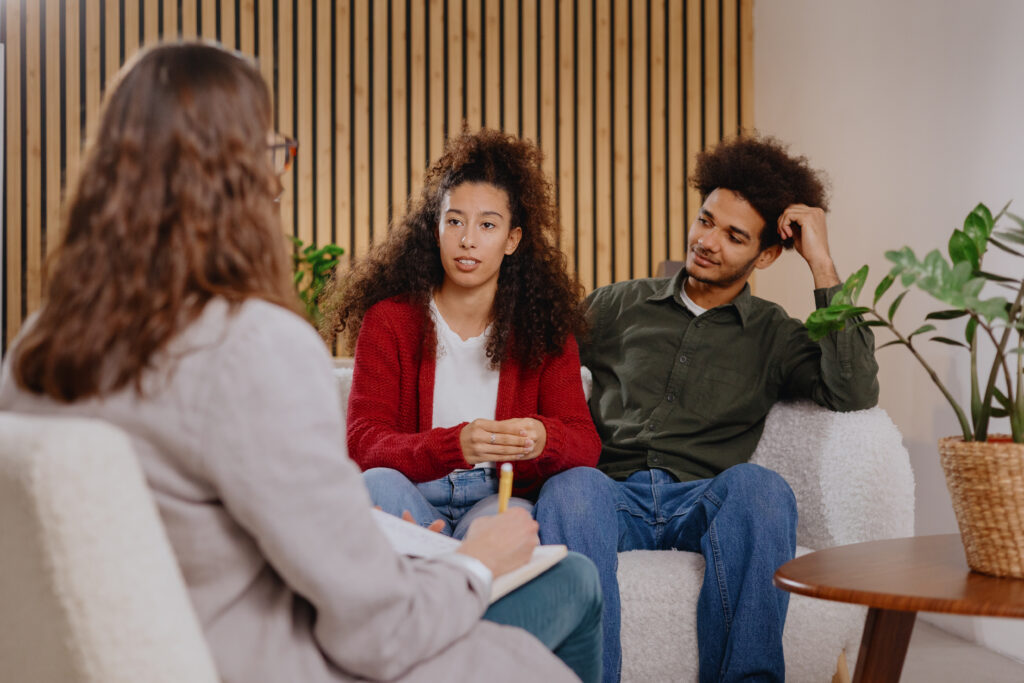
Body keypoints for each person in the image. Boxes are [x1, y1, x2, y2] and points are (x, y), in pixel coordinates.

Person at [0, 43, 602, 683]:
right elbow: (379, 630)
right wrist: (474, 563)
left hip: (175, 650)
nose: (279, 173)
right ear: (236, 175)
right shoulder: (254, 346)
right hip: (292, 662)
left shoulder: (35, 351)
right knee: (573, 590)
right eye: (269, 150)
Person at [533, 135, 880, 683]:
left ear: (765, 255)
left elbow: (855, 389)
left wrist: (821, 262)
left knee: (763, 489)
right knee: (571, 487)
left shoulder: (775, 335)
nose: (707, 241)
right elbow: (532, 360)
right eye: (705, 220)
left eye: (734, 235)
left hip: (704, 497)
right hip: (610, 491)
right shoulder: (617, 305)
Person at [322, 128, 602, 539]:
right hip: (412, 489)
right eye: (455, 221)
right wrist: (455, 446)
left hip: (498, 495)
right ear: (436, 229)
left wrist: (545, 438)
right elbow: (363, 442)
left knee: (504, 529)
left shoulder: (544, 327)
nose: (468, 240)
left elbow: (585, 443)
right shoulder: (389, 321)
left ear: (512, 240)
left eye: (488, 225)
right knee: (374, 485)